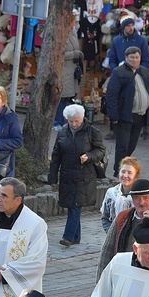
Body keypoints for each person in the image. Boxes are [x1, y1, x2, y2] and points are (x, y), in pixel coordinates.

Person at [48, 104, 105, 246]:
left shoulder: (92, 131)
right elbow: (56, 156)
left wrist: (89, 156)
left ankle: (67, 237)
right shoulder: (62, 132)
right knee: (72, 205)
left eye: (77, 121)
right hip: (67, 175)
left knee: (75, 205)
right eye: (71, 121)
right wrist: (52, 177)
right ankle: (76, 237)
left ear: (82, 118)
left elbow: (101, 151)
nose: (74, 124)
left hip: (84, 175)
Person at [98, 178, 149, 278]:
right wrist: (101, 281)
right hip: (124, 274)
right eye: (137, 198)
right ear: (132, 198)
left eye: (146, 198)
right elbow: (107, 250)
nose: (141, 202)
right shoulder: (122, 217)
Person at [105, 47, 149, 177]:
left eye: (137, 57)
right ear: (126, 58)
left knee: (131, 146)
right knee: (122, 146)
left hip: (140, 115)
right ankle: (118, 172)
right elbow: (112, 95)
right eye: (132, 57)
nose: (134, 60)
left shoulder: (144, 71)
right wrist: (114, 115)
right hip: (124, 116)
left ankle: (125, 169)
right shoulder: (118, 72)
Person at [54, 11, 84, 130]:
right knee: (61, 97)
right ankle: (57, 122)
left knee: (67, 97)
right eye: (73, 21)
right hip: (64, 69)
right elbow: (58, 53)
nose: (75, 23)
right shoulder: (61, 34)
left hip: (71, 69)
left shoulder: (72, 33)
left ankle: (63, 121)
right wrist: (74, 54)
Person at [100, 157, 139, 232]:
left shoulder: (140, 196)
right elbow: (105, 218)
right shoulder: (111, 193)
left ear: (136, 177)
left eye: (129, 172)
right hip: (114, 237)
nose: (125, 175)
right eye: (123, 171)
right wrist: (111, 233)